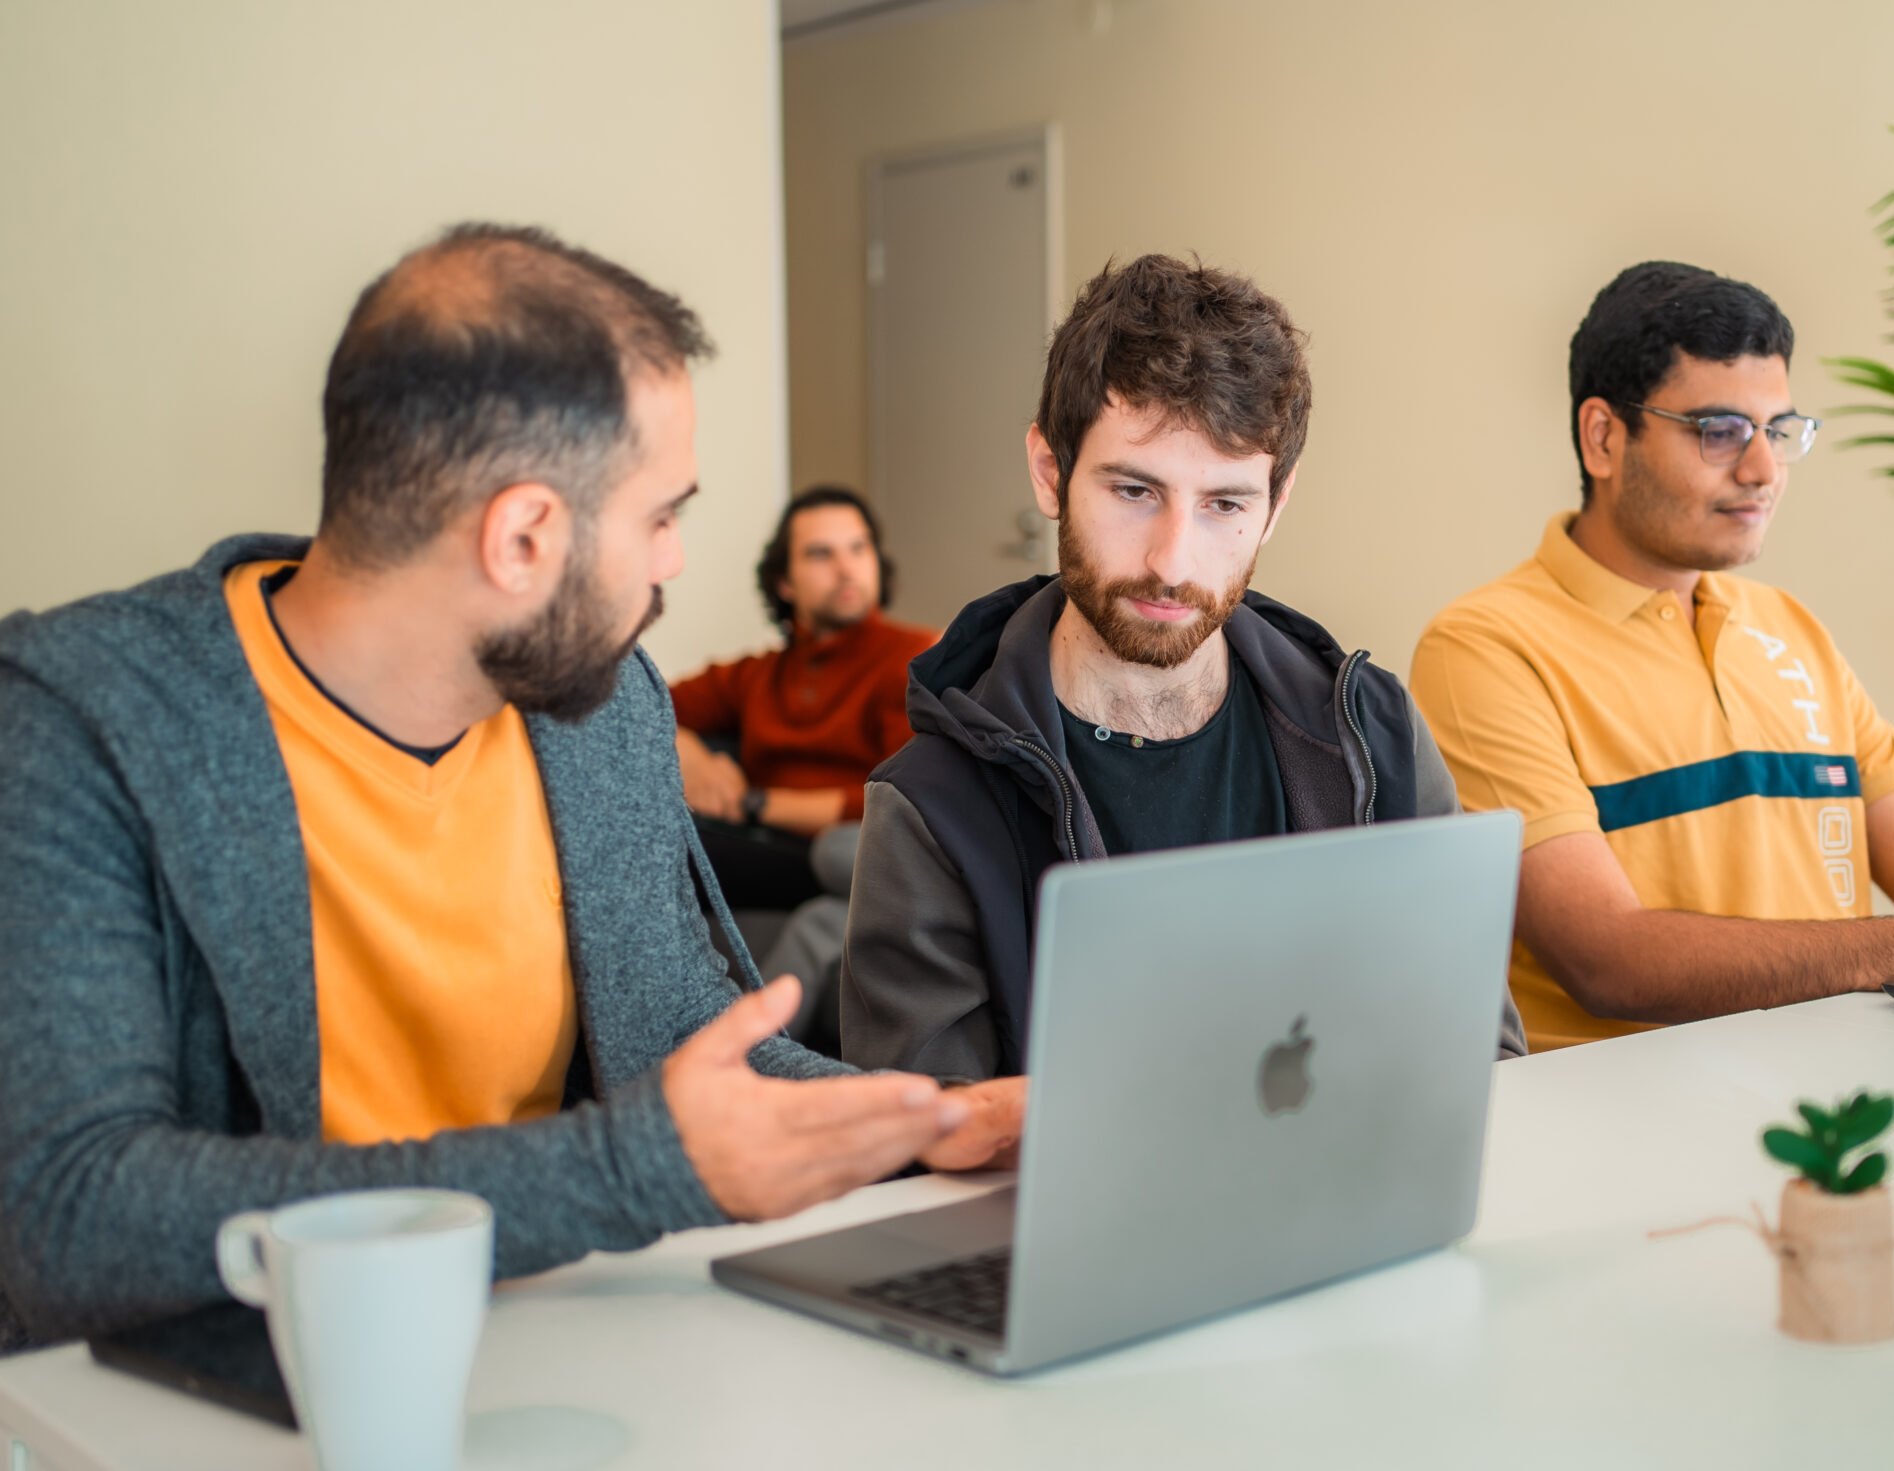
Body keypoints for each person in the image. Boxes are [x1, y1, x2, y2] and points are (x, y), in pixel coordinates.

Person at [0, 224, 1015, 1353]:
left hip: (570, 1352)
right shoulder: (78, 722)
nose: (675, 561)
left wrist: (929, 1122)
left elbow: (678, 1035)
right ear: (525, 535)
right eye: (661, 516)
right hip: (255, 1389)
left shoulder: (600, 707)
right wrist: (626, 1171)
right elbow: (70, 1218)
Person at [1409, 262, 1894, 1053]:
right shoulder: (1485, 648)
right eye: (1719, 432)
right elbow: (1608, 957)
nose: (1763, 470)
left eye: (1779, 430)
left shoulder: (1788, 627)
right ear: (1604, 437)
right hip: (1627, 1122)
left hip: (1832, 1101)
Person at [841, 254, 1526, 1094]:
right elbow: (923, 1158)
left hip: (1361, 1214)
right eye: (1134, 490)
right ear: (1050, 472)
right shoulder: (935, 806)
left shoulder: (1373, 736)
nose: (1174, 559)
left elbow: (1481, 1058)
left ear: (1276, 505)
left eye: (1225, 504)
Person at [670, 487, 937, 1048]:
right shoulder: (761, 674)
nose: (846, 567)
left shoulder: (911, 658)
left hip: (851, 845)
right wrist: (693, 756)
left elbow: (905, 798)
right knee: (658, 833)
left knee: (841, 853)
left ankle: (740, 1062)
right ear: (784, 583)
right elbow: (647, 700)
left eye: (858, 549)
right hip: (772, 853)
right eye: (821, 554)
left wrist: (755, 803)